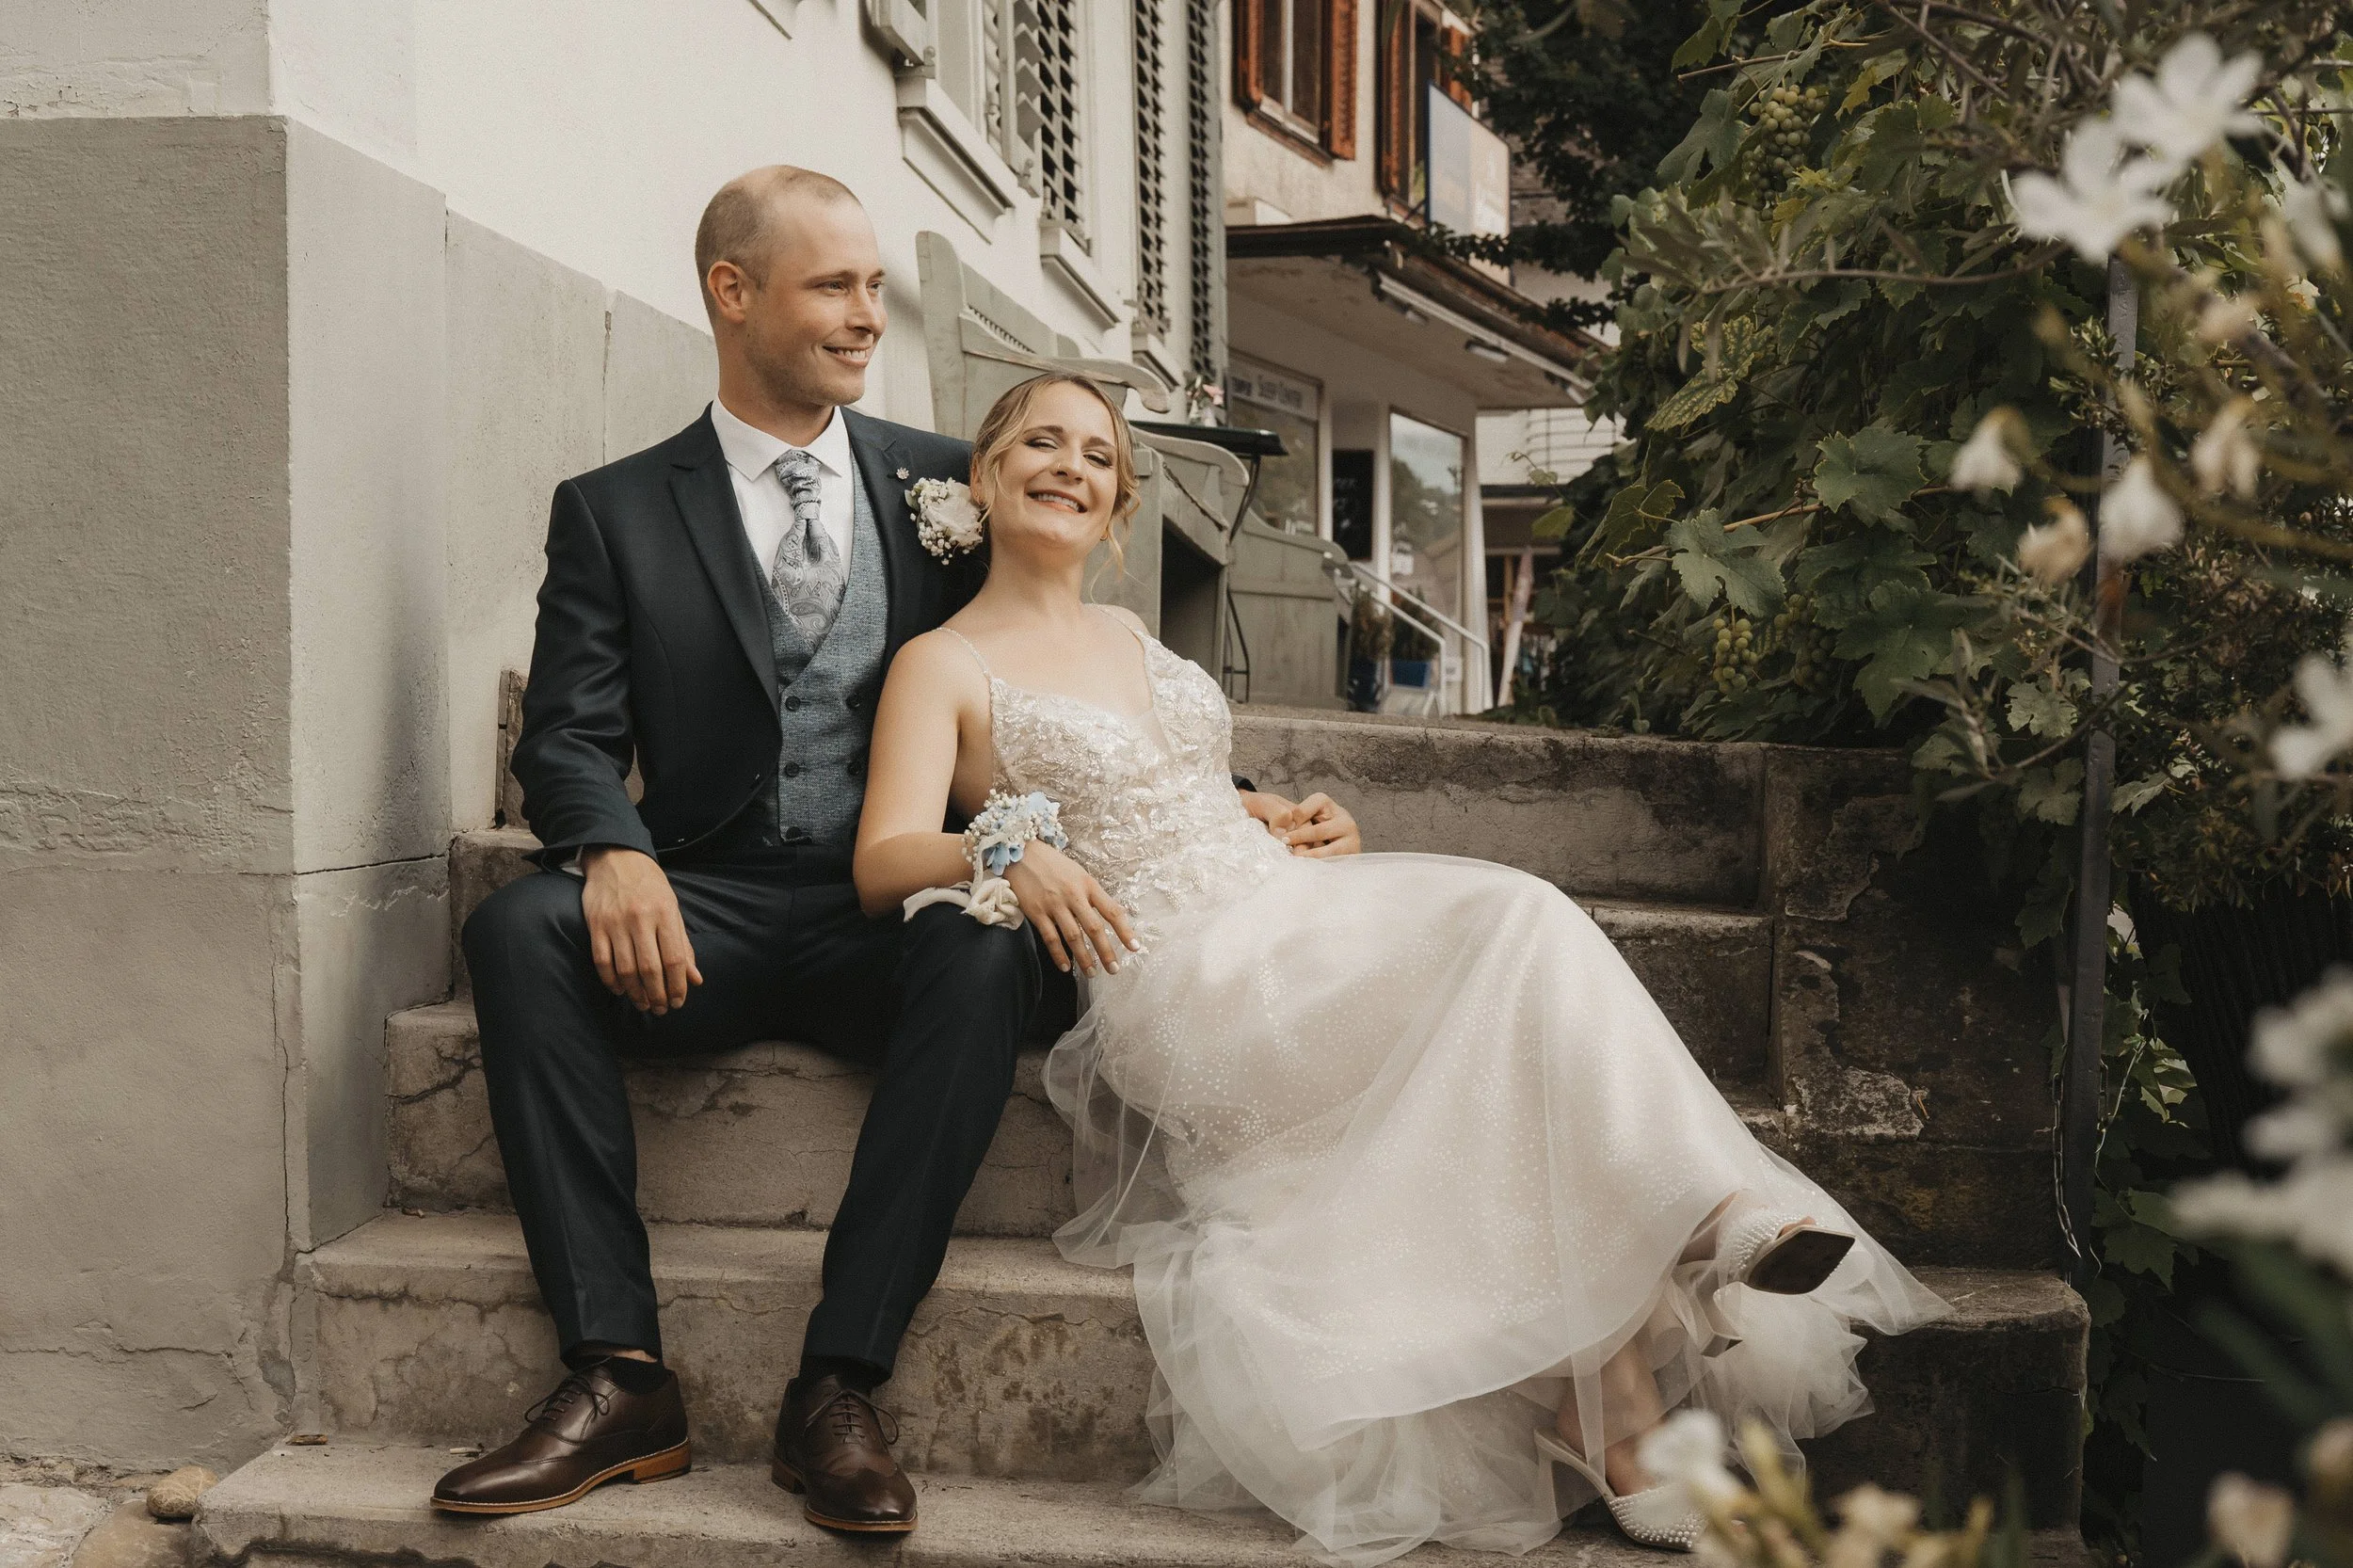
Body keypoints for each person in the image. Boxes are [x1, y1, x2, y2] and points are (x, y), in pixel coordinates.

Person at [854, 372, 1953, 1561]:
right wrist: (1008, 851)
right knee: (1510, 921)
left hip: (1280, 907)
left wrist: (1278, 813)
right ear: (983, 474)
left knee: (1509, 999)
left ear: (1120, 499)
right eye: (1040, 442)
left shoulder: (1131, 636)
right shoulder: (944, 660)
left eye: (1097, 452)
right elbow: (881, 858)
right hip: (1179, 977)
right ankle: (1693, 1222)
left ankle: (1626, 1403)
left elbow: (1173, 790)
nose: (1070, 463)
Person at [431, 167, 1358, 1534]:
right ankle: (619, 1373)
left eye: (874, 286)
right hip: (714, 898)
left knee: (986, 953)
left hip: (908, 893)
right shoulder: (616, 510)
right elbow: (565, 734)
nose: (871, 316)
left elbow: (1055, 677)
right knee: (517, 931)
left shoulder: (943, 478)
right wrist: (611, 850)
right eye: (835, 287)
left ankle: (839, 1385)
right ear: (732, 295)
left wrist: (1236, 798)